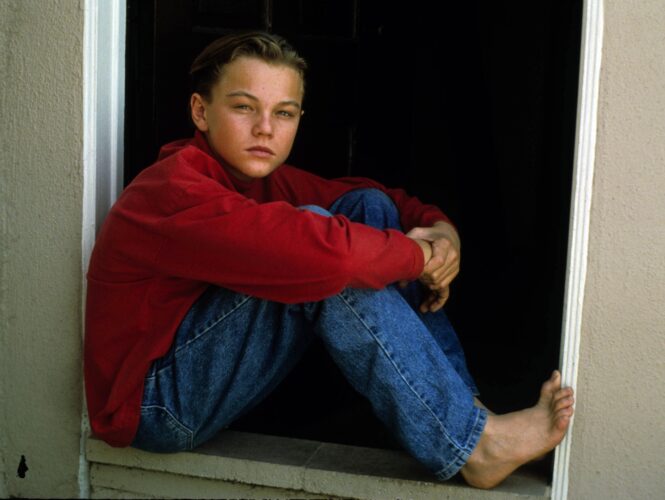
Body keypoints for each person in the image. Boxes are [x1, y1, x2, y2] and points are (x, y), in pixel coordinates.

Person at [84, 31, 574, 489]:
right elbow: (329, 257)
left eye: (284, 113)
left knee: (365, 210)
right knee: (324, 256)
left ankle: (468, 412)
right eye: (243, 107)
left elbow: (379, 199)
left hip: (198, 375)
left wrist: (443, 234)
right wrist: (419, 257)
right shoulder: (173, 189)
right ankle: (472, 445)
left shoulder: (260, 178)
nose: (265, 128)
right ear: (200, 111)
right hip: (156, 405)